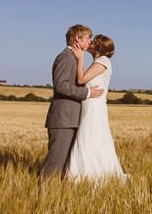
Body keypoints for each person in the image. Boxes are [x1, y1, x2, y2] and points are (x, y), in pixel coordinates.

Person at [42, 24, 104, 178]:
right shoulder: (66, 57)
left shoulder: (74, 58)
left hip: (71, 118)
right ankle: (43, 194)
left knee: (65, 164)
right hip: (63, 119)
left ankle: (55, 195)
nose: (90, 41)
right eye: (88, 38)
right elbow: (61, 86)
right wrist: (88, 92)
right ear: (77, 39)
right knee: (56, 162)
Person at [67, 34, 127, 182]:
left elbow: (81, 79)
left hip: (94, 106)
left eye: (93, 42)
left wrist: (80, 58)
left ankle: (87, 174)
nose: (90, 43)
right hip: (90, 103)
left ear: (98, 47)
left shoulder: (102, 61)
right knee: (90, 135)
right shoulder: (98, 61)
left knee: (89, 135)